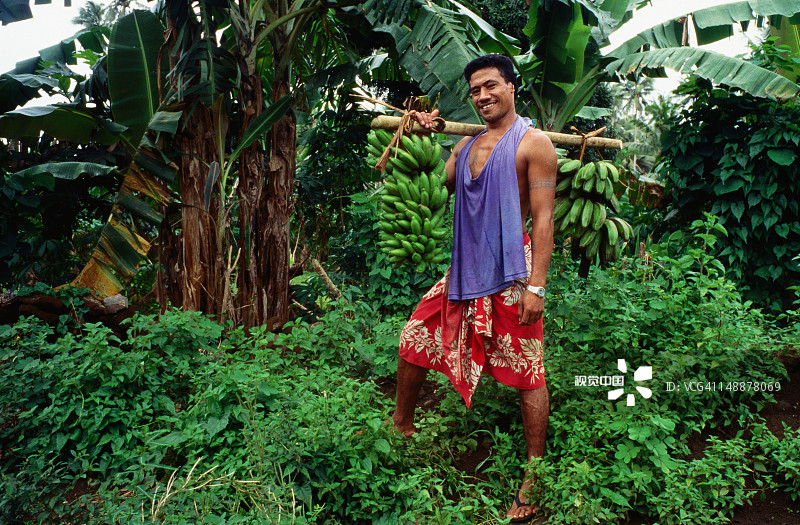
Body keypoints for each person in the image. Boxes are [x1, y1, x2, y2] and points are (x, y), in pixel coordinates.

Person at [391, 54, 556, 524]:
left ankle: (533, 475)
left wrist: (537, 287)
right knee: (414, 337)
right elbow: (432, 185)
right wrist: (419, 135)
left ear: (511, 87)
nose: (482, 96)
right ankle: (402, 423)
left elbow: (544, 219)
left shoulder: (535, 143)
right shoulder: (464, 148)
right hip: (465, 267)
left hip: (512, 271)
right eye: (475, 91)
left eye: (491, 86)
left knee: (528, 369)